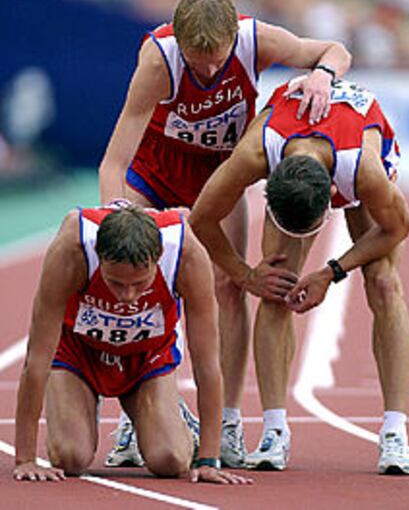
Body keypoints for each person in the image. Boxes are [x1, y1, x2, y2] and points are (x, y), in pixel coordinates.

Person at [99, 0, 352, 468]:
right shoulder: (159, 59)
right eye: (198, 63)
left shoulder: (256, 39)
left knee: (230, 285)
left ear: (232, 39)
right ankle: (136, 419)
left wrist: (322, 76)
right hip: (153, 176)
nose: (209, 72)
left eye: (217, 62)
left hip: (218, 177)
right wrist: (117, 214)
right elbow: (114, 159)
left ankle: (230, 422)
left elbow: (334, 51)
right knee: (137, 285)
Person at [189, 78, 409, 475]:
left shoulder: (365, 172)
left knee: (383, 282)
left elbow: (397, 229)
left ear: (331, 194)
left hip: (355, 137)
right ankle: (274, 429)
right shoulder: (254, 152)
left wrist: (332, 271)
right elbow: (202, 219)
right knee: (276, 284)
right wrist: (245, 276)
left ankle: (395, 433)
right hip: (298, 143)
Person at [13, 203, 251, 484]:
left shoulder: (186, 253)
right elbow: (37, 359)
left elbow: (207, 363)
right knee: (70, 458)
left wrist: (209, 459)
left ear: (158, 258)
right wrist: (25, 459)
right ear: (98, 257)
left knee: (170, 460)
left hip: (148, 356)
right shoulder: (71, 249)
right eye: (115, 283)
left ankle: (173, 421)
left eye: (140, 284)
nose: (127, 296)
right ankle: (86, 403)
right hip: (78, 352)